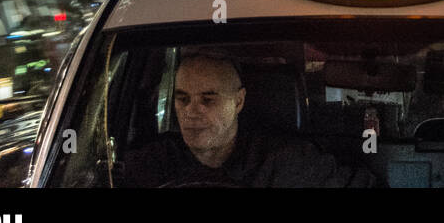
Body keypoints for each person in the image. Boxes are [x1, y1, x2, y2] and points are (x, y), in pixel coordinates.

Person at [121, 53, 370, 187]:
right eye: (182, 99)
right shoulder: (150, 165)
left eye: (208, 100)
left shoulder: (288, 164)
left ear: (238, 102)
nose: (191, 111)